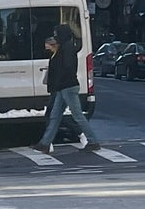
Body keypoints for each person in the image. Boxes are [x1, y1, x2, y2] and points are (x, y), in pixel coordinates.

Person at [34, 24, 102, 154]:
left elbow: (67, 67)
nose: (55, 36)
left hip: (67, 87)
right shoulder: (65, 46)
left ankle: (93, 141)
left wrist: (58, 80)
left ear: (62, 34)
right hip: (65, 86)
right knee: (55, 115)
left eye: (57, 34)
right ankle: (45, 143)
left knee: (76, 115)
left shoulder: (67, 48)